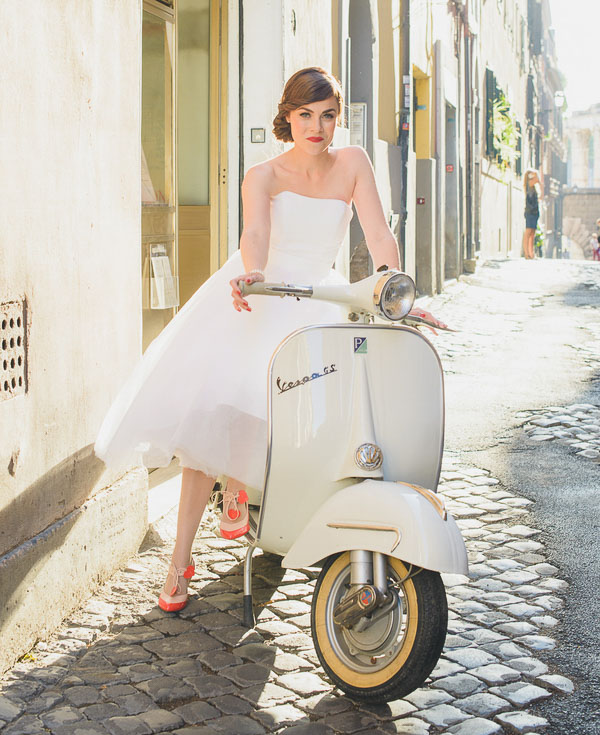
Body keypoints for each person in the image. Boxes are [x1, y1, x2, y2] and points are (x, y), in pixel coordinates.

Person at [95, 67, 444, 613]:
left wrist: (388, 284)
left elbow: (378, 232)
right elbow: (254, 233)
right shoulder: (262, 174)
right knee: (209, 426)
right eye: (306, 115)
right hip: (262, 292)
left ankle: (259, 502)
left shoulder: (352, 164)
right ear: (287, 117)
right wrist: (254, 275)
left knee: (305, 418)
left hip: (318, 298)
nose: (318, 127)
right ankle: (180, 560)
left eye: (328, 115)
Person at [522, 169, 542, 259]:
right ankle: (526, 253)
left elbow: (541, 187)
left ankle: (531, 253)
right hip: (530, 212)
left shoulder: (533, 187)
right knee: (528, 232)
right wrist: (536, 174)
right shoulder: (528, 184)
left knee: (532, 233)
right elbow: (538, 180)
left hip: (535, 212)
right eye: (531, 175)